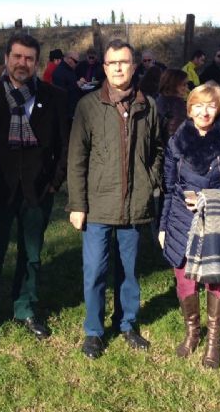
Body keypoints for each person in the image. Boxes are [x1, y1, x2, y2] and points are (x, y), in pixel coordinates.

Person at [0, 33, 69, 350]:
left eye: (29, 58)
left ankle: (25, 308)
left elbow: (66, 146)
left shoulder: (55, 97)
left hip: (38, 191)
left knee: (32, 255)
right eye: (17, 57)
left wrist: (55, 180)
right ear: (7, 58)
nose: (22, 63)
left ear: (36, 62)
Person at [67, 39, 163, 359]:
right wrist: (77, 204)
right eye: (113, 63)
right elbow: (76, 158)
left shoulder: (147, 105)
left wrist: (150, 179)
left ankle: (127, 323)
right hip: (97, 205)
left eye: (125, 62)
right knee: (95, 270)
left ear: (134, 67)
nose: (119, 68)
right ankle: (94, 331)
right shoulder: (89, 106)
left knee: (129, 270)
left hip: (135, 204)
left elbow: (159, 149)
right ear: (104, 68)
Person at [158, 83, 220, 369]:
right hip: (180, 220)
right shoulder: (177, 140)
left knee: (215, 279)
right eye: (198, 105)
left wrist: (211, 197)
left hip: (215, 220)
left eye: (210, 105)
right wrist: (163, 226)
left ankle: (213, 341)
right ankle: (192, 333)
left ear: (219, 108)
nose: (204, 111)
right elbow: (170, 187)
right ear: (189, 109)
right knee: (185, 279)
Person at [156, 68, 189, 143]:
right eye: (183, 85)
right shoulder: (177, 106)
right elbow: (176, 134)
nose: (187, 89)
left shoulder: (158, 101)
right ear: (173, 85)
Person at [52, 50, 86, 119]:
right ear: (70, 59)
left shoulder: (70, 69)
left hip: (74, 109)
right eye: (76, 62)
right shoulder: (59, 72)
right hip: (67, 113)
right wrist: (76, 85)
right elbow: (60, 93)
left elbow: (71, 82)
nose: (77, 64)